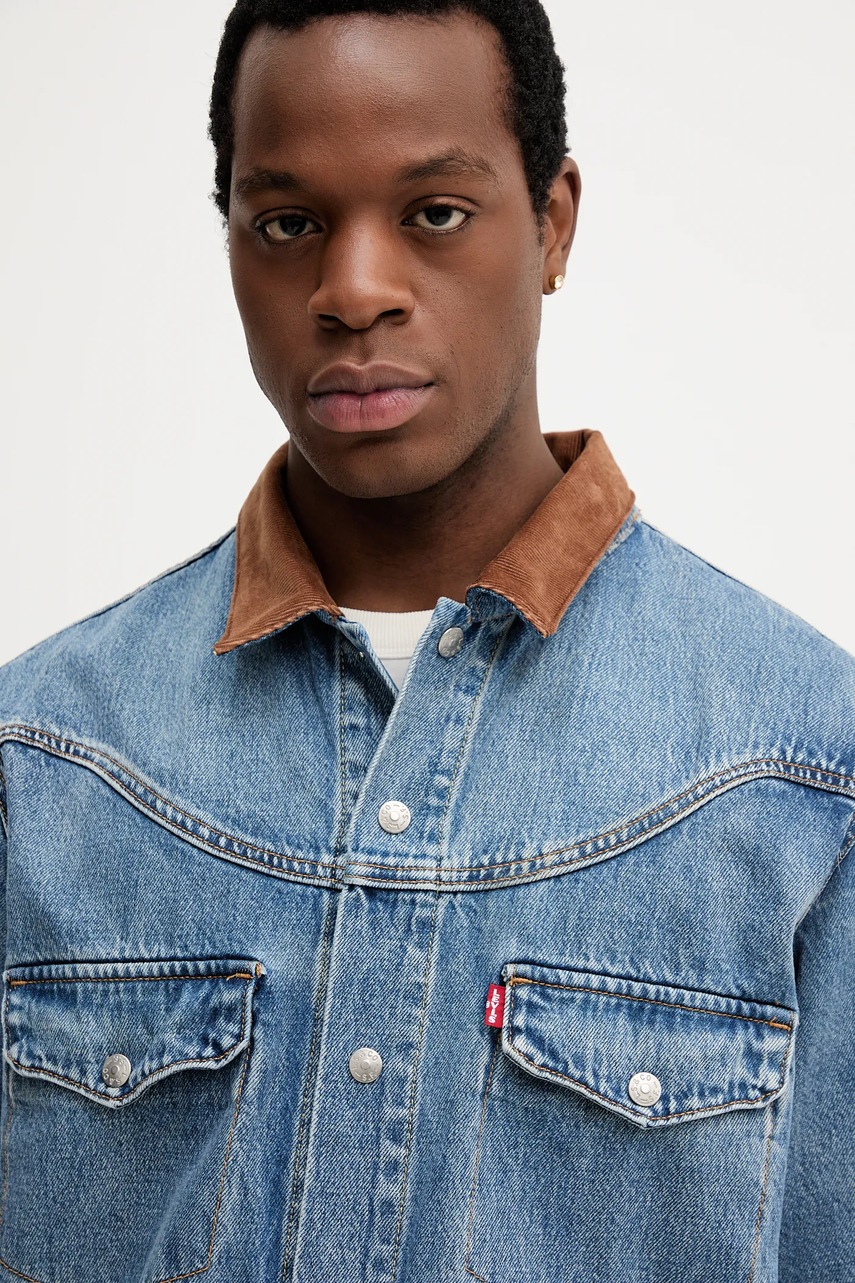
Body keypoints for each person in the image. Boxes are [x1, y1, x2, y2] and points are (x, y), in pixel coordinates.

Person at [0, 1, 851, 1280]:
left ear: (553, 222)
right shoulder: (42, 764)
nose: (353, 291)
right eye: (287, 224)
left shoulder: (809, 774)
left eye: (435, 213)